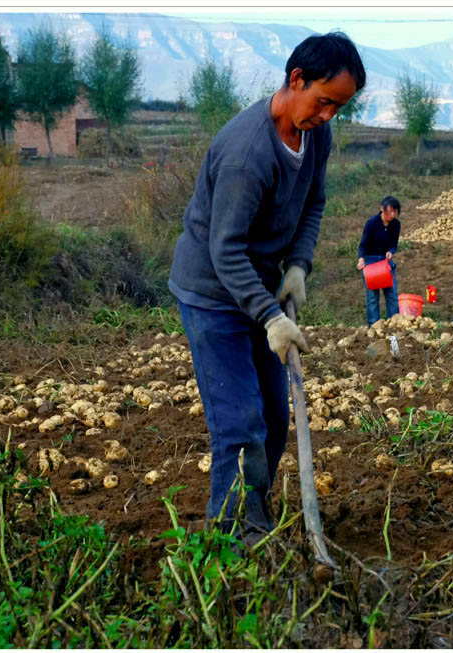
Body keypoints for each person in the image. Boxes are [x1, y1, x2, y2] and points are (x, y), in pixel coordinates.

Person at [167, 33, 365, 541]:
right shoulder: (246, 153)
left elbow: (314, 202)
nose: (327, 116)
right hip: (213, 294)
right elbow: (224, 250)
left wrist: (298, 265)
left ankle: (254, 510)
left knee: (275, 420)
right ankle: (231, 542)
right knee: (240, 428)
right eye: (324, 102)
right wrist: (270, 316)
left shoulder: (316, 135)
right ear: (296, 80)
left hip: (258, 286)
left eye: (337, 108)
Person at [356, 196, 402, 326]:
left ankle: (394, 324)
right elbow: (363, 245)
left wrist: (390, 252)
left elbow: (394, 244)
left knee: (392, 294)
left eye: (395, 212)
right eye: (390, 211)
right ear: (382, 209)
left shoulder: (396, 225)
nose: (392, 214)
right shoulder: (371, 223)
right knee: (372, 297)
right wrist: (361, 260)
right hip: (370, 261)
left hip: (385, 262)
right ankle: (374, 326)